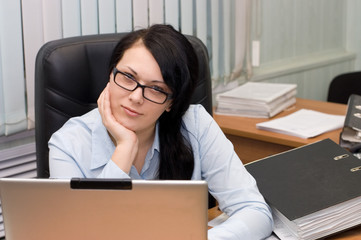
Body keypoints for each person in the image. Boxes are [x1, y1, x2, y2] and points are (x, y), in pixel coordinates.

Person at [49, 24, 273, 239]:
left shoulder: (195, 125)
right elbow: (79, 233)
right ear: (110, 74)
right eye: (128, 77)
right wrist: (125, 148)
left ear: (171, 103)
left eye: (156, 89)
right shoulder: (68, 144)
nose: (136, 97)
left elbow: (255, 212)